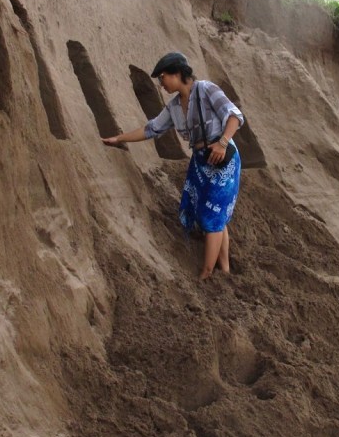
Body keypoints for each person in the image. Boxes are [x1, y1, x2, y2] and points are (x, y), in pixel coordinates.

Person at [101, 52, 244, 280]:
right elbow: (151, 129)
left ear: (177, 74)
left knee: (213, 214)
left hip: (222, 159)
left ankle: (206, 273)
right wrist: (119, 138)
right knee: (212, 212)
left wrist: (223, 142)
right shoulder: (175, 107)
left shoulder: (206, 89)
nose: (162, 84)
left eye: (163, 77)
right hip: (201, 161)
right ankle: (224, 268)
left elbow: (234, 116)